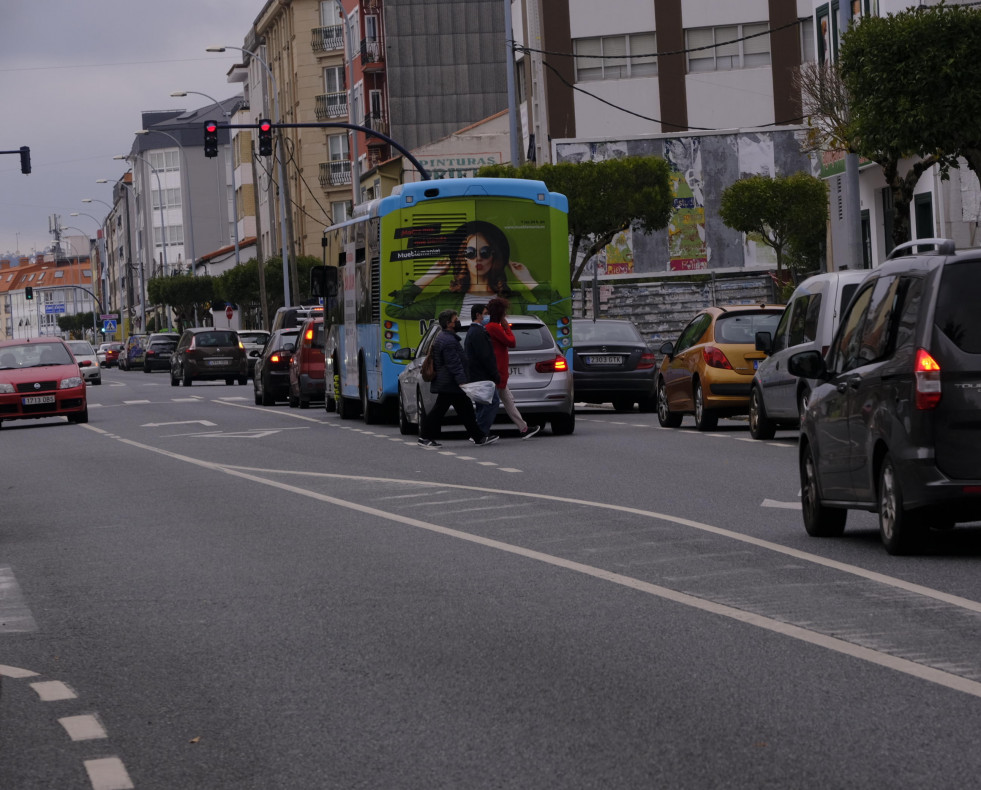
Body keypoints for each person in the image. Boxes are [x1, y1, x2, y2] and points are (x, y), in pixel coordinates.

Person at [386, 220, 550, 321]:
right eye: (470, 253)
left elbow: (553, 312)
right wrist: (430, 276)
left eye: (484, 252)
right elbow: (395, 309)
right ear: (463, 258)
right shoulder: (446, 300)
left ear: (494, 256)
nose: (478, 258)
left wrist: (527, 279)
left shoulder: (514, 300)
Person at [418, 309, 499, 448]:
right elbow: (454, 364)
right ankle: (425, 437)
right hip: (450, 383)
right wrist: (462, 380)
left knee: (466, 410)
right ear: (449, 324)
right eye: (456, 320)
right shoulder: (448, 341)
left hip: (451, 383)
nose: (458, 322)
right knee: (439, 411)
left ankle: (479, 437)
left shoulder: (446, 337)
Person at [485, 297, 541, 440]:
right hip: (498, 371)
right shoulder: (494, 327)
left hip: (499, 370)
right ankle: (480, 431)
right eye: (504, 313)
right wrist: (507, 327)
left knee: (507, 400)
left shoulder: (490, 327)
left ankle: (523, 428)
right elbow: (511, 342)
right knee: (491, 404)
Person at [463, 303, 501, 435]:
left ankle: (478, 433)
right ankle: (480, 432)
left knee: (482, 404)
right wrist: (494, 373)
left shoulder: (473, 331)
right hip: (482, 375)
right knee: (492, 402)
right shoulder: (478, 332)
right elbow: (485, 356)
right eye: (485, 313)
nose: (487, 316)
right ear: (478, 315)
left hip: (476, 374)